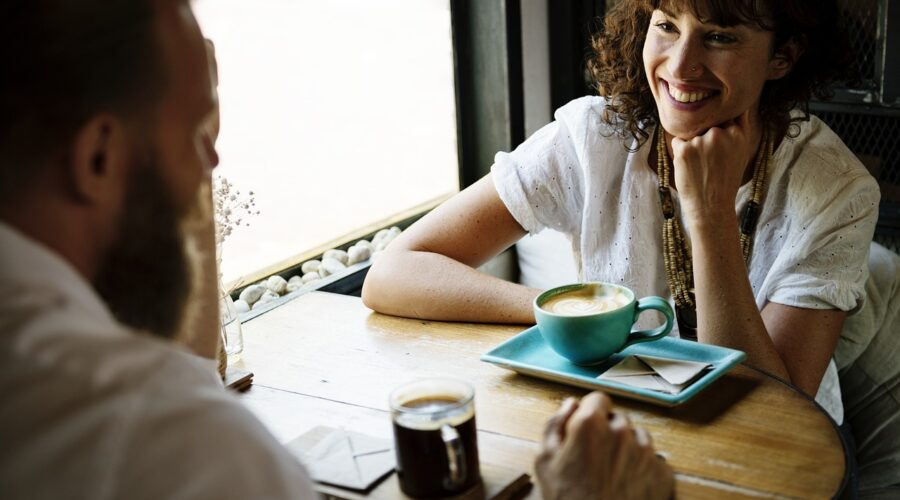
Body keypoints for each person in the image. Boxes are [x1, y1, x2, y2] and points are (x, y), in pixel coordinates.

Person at [0, 1, 673, 499]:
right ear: (97, 158)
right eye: (198, 135)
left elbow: (179, 364)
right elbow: (178, 379)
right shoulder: (180, 447)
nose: (213, 166)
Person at [363, 0, 879, 430]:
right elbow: (393, 273)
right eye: (667, 25)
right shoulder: (596, 136)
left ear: (782, 56)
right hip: (620, 424)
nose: (680, 66)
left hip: (782, 457)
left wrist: (709, 214)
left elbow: (775, 414)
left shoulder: (840, 190)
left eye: (719, 37)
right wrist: (577, 317)